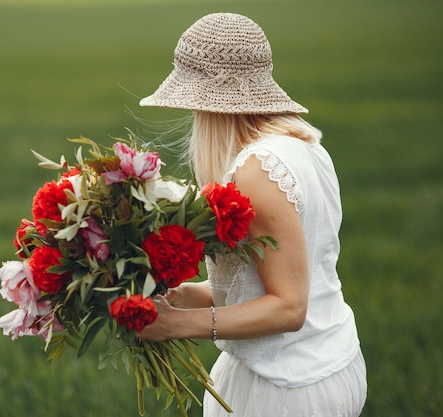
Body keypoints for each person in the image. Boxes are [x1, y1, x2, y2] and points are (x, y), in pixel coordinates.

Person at [135, 13, 367, 417]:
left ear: (205, 104)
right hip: (329, 362)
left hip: (284, 389)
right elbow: (264, 283)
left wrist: (174, 326)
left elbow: (288, 307)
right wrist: (183, 296)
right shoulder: (303, 143)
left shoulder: (257, 169)